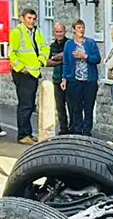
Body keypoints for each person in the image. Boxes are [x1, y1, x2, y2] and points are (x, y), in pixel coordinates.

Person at [7, 8, 46, 143]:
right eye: (29, 18)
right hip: (23, 73)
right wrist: (20, 68)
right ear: (22, 19)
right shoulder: (17, 32)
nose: (32, 21)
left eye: (34, 19)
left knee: (29, 104)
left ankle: (27, 133)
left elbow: (44, 48)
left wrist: (41, 60)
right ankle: (23, 135)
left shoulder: (37, 32)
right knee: (25, 104)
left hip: (34, 72)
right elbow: (12, 53)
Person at [62, 19, 102, 135]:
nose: (81, 30)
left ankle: (87, 131)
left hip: (89, 80)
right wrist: (64, 78)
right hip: (74, 80)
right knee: (76, 107)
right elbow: (66, 62)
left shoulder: (90, 43)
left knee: (88, 107)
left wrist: (85, 56)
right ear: (74, 30)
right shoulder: (69, 45)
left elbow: (97, 59)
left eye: (83, 27)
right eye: (79, 28)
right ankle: (78, 131)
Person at [48, 19, 70, 135]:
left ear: (65, 32)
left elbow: (69, 57)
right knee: (60, 106)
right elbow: (46, 62)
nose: (59, 34)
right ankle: (63, 128)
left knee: (71, 106)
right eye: (57, 32)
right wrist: (59, 60)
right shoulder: (52, 46)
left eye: (61, 31)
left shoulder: (69, 44)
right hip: (57, 79)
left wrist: (57, 57)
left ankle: (73, 127)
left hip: (69, 79)